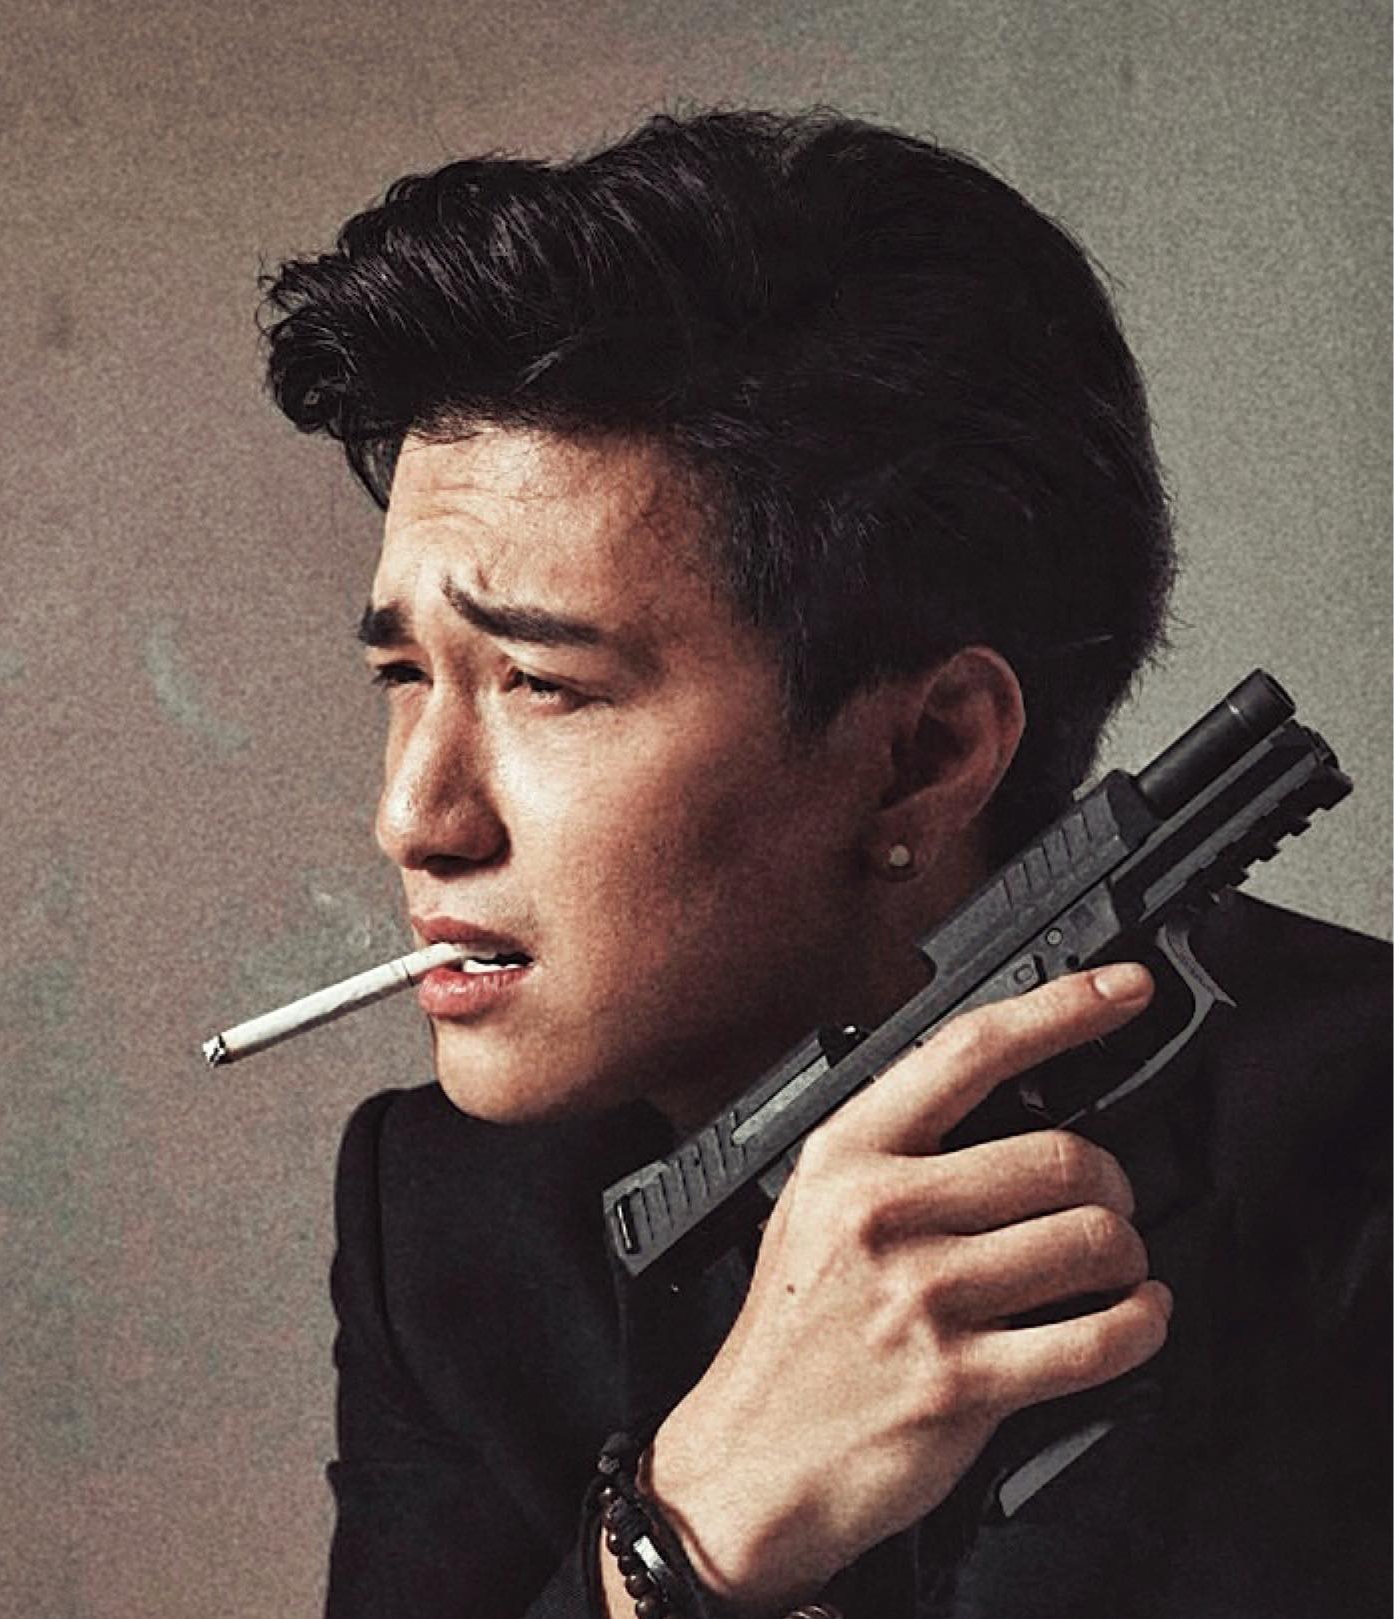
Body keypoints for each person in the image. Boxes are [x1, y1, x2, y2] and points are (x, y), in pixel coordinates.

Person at [258, 109, 1390, 1617]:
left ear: (926, 752)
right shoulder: (451, 1225)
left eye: (543, 685)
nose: (416, 816)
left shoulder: (1362, 1165)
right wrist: (692, 1527)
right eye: (407, 675)